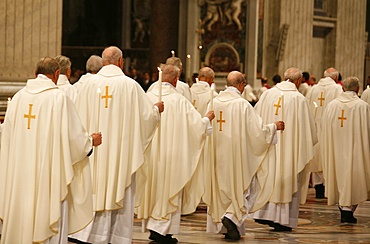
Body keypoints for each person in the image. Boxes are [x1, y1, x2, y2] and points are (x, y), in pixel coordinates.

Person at [0, 57, 102, 244]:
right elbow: (74, 139)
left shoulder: (18, 98)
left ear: (34, 73)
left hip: (21, 176)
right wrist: (90, 141)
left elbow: (6, 138)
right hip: (49, 175)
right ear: (57, 74)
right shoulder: (58, 98)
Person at [70, 46, 164, 244]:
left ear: (104, 62)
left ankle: (85, 234)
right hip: (121, 155)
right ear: (121, 62)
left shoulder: (86, 85)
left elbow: (75, 117)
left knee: (92, 186)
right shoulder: (130, 85)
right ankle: (116, 237)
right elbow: (146, 118)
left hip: (93, 151)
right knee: (120, 186)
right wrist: (156, 111)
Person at [135, 64, 215, 243]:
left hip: (151, 154)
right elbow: (196, 126)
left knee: (153, 187)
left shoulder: (148, 97)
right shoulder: (179, 101)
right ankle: (163, 230)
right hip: (172, 155)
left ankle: (154, 226)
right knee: (168, 188)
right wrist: (207, 119)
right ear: (176, 80)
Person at [203, 71, 284, 240]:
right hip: (237, 156)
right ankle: (231, 217)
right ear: (240, 85)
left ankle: (227, 226)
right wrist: (274, 127)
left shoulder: (213, 102)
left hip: (217, 155)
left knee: (221, 187)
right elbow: (258, 133)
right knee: (245, 185)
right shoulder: (243, 105)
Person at [250, 67, 317, 231]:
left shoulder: (267, 94)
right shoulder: (298, 99)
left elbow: (255, 120)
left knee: (269, 176)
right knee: (287, 177)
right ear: (298, 81)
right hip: (289, 150)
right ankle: (283, 219)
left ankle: (265, 214)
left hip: (269, 146)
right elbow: (309, 132)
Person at [321, 76, 370, 223]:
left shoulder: (331, 106)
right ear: (358, 88)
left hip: (336, 149)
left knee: (339, 174)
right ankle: (347, 209)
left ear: (342, 88)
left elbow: (325, 129)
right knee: (355, 176)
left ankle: (344, 206)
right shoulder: (363, 106)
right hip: (355, 149)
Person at [305, 67, 342, 198]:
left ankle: (318, 187)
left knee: (316, 155)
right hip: (330, 127)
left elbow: (308, 108)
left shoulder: (313, 89)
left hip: (315, 126)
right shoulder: (337, 89)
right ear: (336, 78)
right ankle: (329, 189)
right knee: (328, 155)